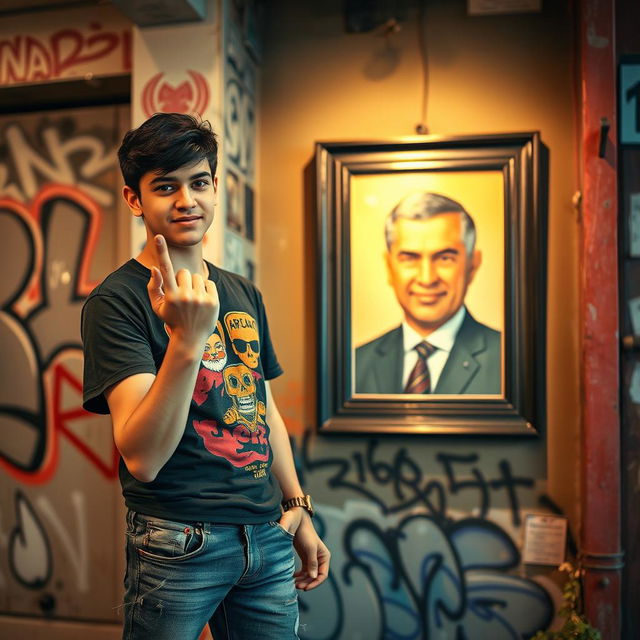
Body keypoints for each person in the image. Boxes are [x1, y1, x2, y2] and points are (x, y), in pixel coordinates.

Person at [81, 113, 329, 640]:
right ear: (134, 199)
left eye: (198, 183)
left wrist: (297, 505)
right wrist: (188, 341)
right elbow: (144, 457)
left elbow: (264, 409)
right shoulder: (116, 301)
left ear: (216, 188)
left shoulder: (242, 292)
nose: (186, 200)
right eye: (165, 187)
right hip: (177, 540)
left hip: (266, 535)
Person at [355, 191, 501, 395]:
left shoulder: (510, 364)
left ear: (473, 265)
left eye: (444, 258)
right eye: (410, 258)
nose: (427, 278)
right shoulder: (355, 365)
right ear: (389, 267)